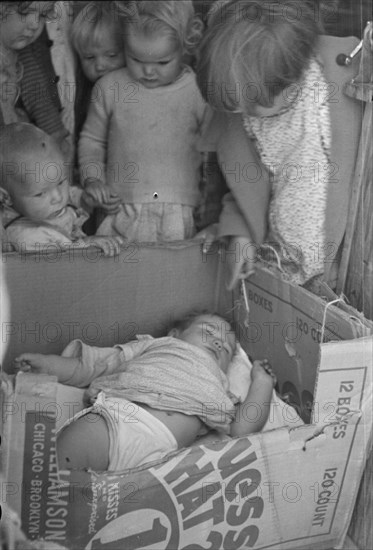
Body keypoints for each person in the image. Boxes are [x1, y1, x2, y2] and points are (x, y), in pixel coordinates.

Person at [196, 0, 364, 290]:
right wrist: (240, 234)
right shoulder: (248, 119)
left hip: (346, 269)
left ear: (292, 82)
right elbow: (245, 187)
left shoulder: (337, 85)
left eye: (250, 105)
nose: (242, 114)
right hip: (283, 260)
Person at [14, 312, 276, 471]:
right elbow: (92, 367)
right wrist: (47, 364)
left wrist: (261, 382)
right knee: (68, 453)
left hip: (162, 455)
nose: (220, 343)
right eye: (208, 332)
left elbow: (243, 428)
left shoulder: (221, 388)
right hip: (117, 420)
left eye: (228, 350)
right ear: (175, 334)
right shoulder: (156, 346)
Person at [79, 0, 209, 242]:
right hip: (119, 210)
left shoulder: (198, 91)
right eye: (136, 59)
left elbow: (210, 152)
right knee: (116, 277)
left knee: (172, 278)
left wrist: (208, 206)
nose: (148, 72)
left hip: (179, 213)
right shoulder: (109, 88)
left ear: (185, 46)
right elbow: (92, 140)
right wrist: (93, 178)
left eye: (162, 62)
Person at [0, 122, 122, 255]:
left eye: (60, 182)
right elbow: (61, 262)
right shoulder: (25, 236)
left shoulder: (41, 199)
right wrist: (86, 244)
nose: (58, 197)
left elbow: (70, 193)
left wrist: (85, 199)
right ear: (5, 198)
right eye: (41, 194)